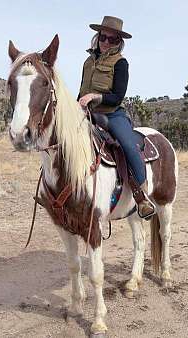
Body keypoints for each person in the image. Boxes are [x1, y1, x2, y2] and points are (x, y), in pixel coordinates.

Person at [77, 16, 155, 219]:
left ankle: (142, 195)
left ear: (119, 42)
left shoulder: (120, 63)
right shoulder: (88, 61)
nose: (106, 43)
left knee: (128, 146)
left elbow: (118, 96)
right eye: (103, 37)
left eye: (112, 40)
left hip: (112, 114)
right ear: (98, 37)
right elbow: (81, 90)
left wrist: (95, 96)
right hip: (87, 113)